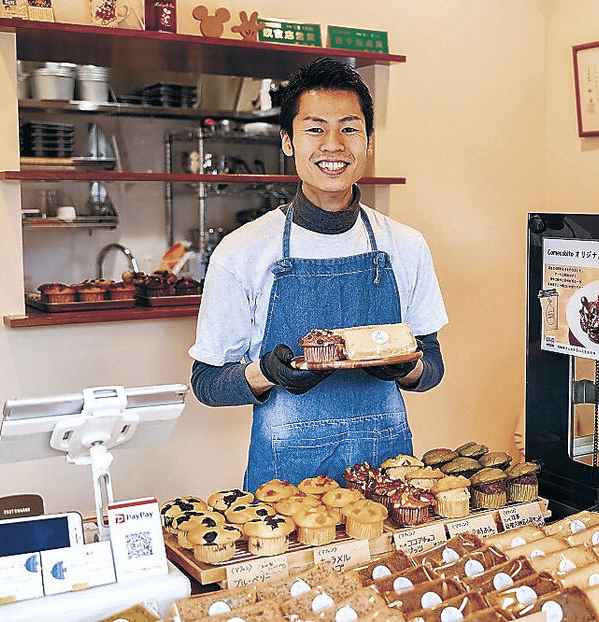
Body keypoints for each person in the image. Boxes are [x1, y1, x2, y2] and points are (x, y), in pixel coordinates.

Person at [189, 58, 448, 491]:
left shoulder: (405, 244)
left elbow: (432, 365)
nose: (333, 145)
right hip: (285, 488)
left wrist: (405, 368)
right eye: (315, 129)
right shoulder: (243, 251)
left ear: (367, 141)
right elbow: (208, 382)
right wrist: (267, 373)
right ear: (288, 141)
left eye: (349, 128)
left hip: (390, 476)